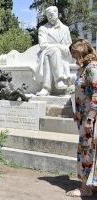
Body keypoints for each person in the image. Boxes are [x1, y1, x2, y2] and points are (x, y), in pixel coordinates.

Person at [66, 39, 97, 197]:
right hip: (84, 117)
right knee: (89, 150)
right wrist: (76, 110)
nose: (72, 56)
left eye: (73, 53)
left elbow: (96, 94)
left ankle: (85, 188)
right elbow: (83, 93)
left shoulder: (92, 67)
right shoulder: (84, 69)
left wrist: (90, 118)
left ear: (79, 51)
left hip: (91, 119)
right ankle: (91, 185)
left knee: (86, 151)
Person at [36, 6, 72, 96]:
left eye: (52, 14)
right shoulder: (43, 29)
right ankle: (58, 80)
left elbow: (69, 44)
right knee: (52, 51)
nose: (50, 17)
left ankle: (46, 88)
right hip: (48, 53)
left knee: (54, 51)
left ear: (57, 13)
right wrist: (58, 46)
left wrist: (63, 48)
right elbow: (43, 45)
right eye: (48, 16)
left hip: (64, 55)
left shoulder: (65, 29)